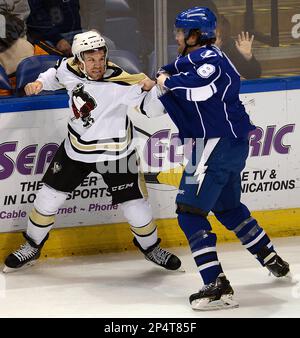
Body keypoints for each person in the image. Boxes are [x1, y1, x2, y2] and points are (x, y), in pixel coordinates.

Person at [145, 7, 289, 310]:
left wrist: (163, 82)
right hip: (226, 145)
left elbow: (199, 89)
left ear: (196, 35)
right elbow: (160, 93)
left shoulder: (211, 61)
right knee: (228, 207)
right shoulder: (193, 60)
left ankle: (216, 284)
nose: (176, 36)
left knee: (189, 212)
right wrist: (160, 77)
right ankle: (269, 256)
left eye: (181, 31)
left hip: (214, 145)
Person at [3, 30, 181, 273]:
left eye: (101, 58)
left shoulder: (123, 80)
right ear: (78, 59)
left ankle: (151, 249)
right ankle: (32, 246)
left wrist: (160, 91)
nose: (97, 65)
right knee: (47, 199)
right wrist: (39, 83)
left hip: (116, 154)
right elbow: (54, 73)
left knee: (137, 209)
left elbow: (150, 109)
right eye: (91, 59)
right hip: (76, 150)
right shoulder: (68, 68)